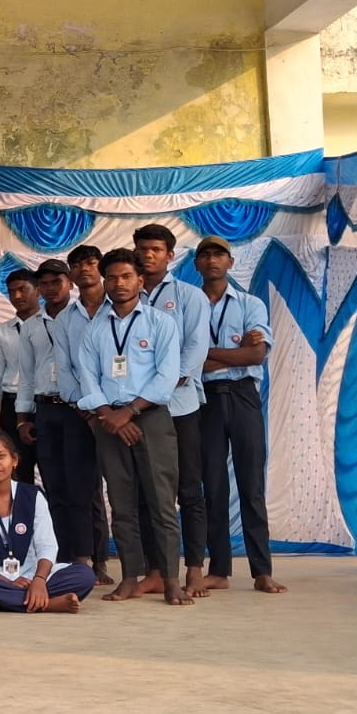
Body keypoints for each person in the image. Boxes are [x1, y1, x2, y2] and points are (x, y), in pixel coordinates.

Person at [76, 248, 190, 606]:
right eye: (111, 277)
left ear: (140, 281)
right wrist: (109, 415)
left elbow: (167, 377)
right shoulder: (95, 329)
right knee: (121, 504)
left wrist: (130, 412)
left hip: (151, 418)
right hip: (108, 421)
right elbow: (87, 378)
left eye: (126, 276)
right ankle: (129, 577)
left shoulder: (161, 323)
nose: (119, 283)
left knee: (161, 503)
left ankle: (171, 579)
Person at [195, 236, 285, 594]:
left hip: (244, 396)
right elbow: (187, 359)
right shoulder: (190, 305)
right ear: (197, 264)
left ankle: (262, 570)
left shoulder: (250, 303)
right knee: (213, 486)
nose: (212, 260)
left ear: (230, 262)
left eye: (219, 254)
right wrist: (232, 351)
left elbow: (255, 355)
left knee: (251, 485)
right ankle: (219, 569)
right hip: (205, 400)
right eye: (205, 255)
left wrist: (208, 354)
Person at [134, 223, 212, 599]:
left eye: (155, 249)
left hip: (180, 406)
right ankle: (156, 570)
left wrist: (160, 387)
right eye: (142, 249)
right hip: (140, 409)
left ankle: (194, 568)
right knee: (148, 490)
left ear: (170, 255)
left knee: (189, 488)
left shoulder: (189, 296)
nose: (147, 255)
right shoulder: (126, 297)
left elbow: (196, 349)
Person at [16, 259, 106, 580]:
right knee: (54, 488)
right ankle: (60, 558)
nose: (51, 288)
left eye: (57, 282)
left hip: (79, 409)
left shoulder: (85, 317)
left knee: (83, 488)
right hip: (46, 411)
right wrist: (23, 419)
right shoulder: (31, 326)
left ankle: (88, 560)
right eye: (44, 284)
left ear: (70, 283)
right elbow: (26, 375)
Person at [0, 431, 96, 613]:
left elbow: (47, 546)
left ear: (14, 460)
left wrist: (39, 581)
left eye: (0, 456)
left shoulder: (33, 496)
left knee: (84, 575)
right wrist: (6, 581)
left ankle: (1, 600)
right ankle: (47, 604)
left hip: (31, 573)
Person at [54, 245, 114, 582]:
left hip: (122, 413)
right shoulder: (66, 319)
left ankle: (114, 561)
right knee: (81, 490)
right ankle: (83, 560)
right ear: (71, 274)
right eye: (77, 265)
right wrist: (90, 411)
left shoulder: (120, 307)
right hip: (80, 414)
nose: (85, 269)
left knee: (124, 490)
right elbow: (65, 371)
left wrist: (112, 411)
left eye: (91, 262)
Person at [0, 269, 40, 484]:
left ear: (38, 290)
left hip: (46, 403)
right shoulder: (1, 332)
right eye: (12, 292)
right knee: (19, 473)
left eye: (23, 289)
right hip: (12, 406)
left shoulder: (53, 324)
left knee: (55, 470)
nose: (17, 296)